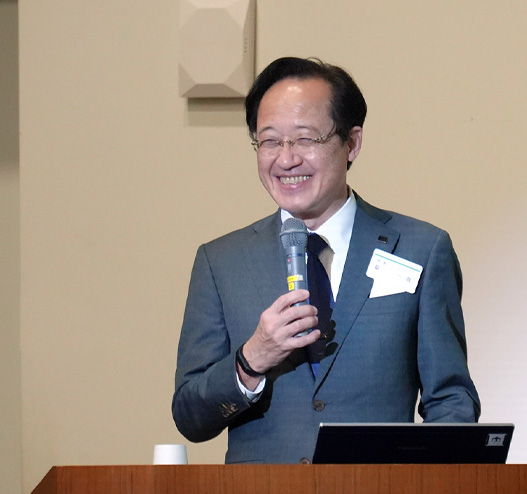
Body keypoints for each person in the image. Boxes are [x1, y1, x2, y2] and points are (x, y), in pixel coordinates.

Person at [172, 57, 480, 464]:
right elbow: (191, 418)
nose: (286, 159)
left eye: (305, 139)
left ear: (351, 143)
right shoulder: (221, 262)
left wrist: (422, 485)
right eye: (270, 141)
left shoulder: (420, 248)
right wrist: (251, 360)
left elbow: (450, 400)